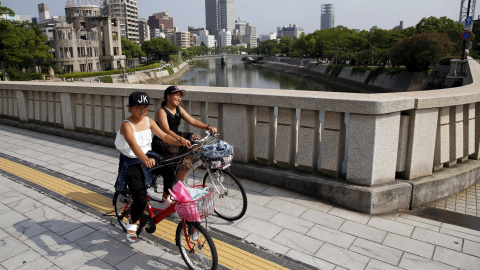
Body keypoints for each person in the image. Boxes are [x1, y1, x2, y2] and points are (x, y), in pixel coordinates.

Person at [114, 91, 190, 242]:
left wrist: (179, 141)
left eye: (145, 107)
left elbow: (164, 136)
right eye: (138, 107)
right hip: (131, 161)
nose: (142, 111)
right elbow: (133, 145)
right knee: (140, 199)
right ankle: (131, 223)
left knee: (170, 170)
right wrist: (145, 159)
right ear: (130, 107)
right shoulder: (126, 125)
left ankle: (165, 198)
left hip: (148, 155)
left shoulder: (149, 121)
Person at [152, 85, 217, 204]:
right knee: (180, 155)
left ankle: (180, 178)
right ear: (168, 96)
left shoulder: (179, 109)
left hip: (177, 137)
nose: (179, 98)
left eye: (180, 96)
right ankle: (172, 186)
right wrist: (181, 139)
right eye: (176, 95)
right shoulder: (162, 111)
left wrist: (208, 127)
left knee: (195, 139)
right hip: (164, 142)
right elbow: (166, 130)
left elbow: (192, 121)